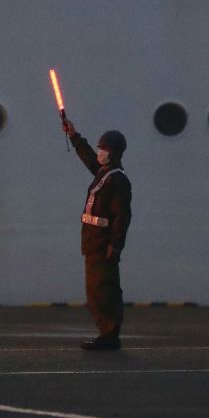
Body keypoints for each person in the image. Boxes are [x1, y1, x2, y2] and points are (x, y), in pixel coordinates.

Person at [61, 117, 132, 350]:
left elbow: (122, 216)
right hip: (92, 243)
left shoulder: (118, 180)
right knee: (95, 291)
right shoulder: (104, 174)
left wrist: (116, 244)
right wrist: (73, 135)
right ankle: (106, 332)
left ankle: (110, 335)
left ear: (114, 152)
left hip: (103, 245)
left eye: (104, 149)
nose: (100, 152)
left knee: (105, 290)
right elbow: (89, 159)